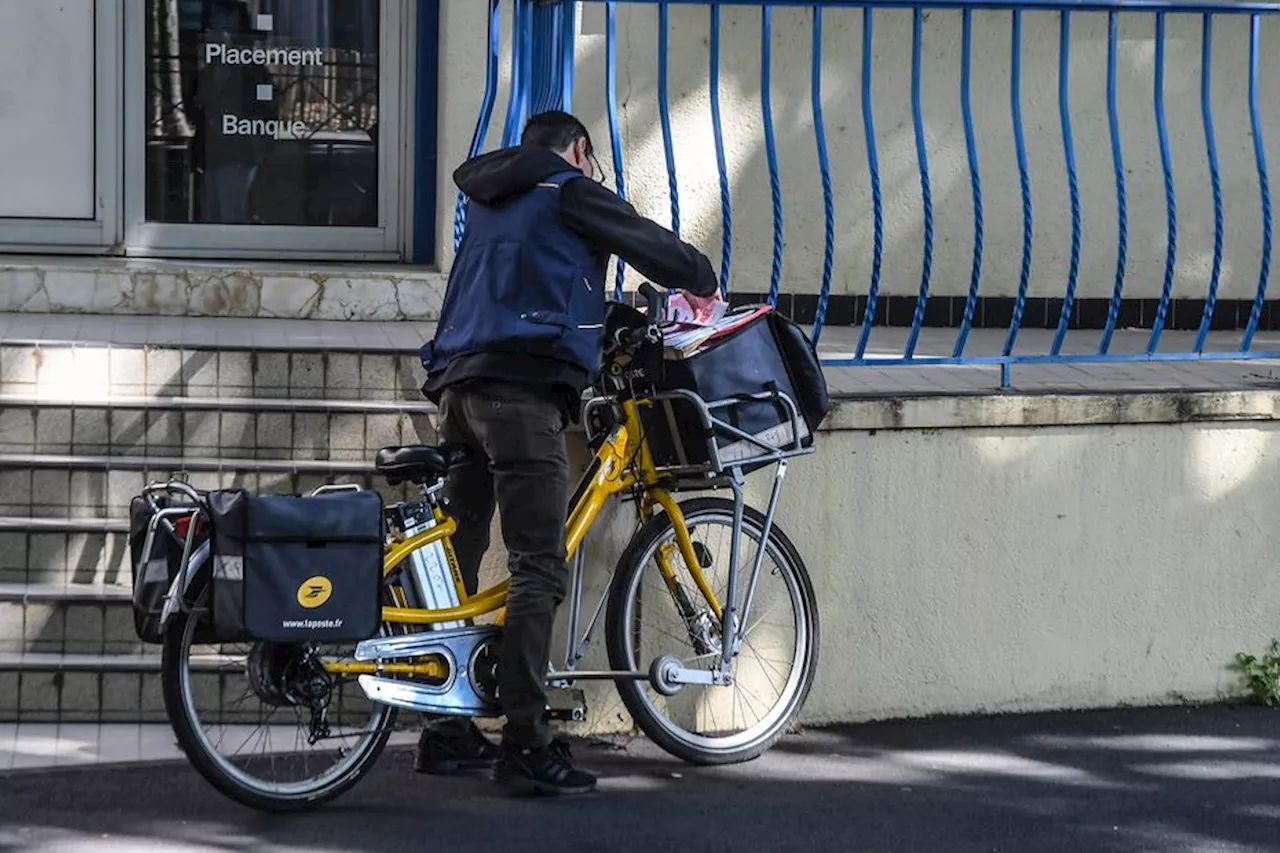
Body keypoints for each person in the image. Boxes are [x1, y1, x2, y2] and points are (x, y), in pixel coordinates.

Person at [415, 110, 719, 795]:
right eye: (591, 161)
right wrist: (701, 278)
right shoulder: (567, 187)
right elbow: (652, 247)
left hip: (458, 389)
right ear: (579, 150)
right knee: (537, 567)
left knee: (459, 557)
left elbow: (532, 279)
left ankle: (444, 727)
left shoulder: (493, 197)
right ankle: (524, 740)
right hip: (519, 394)